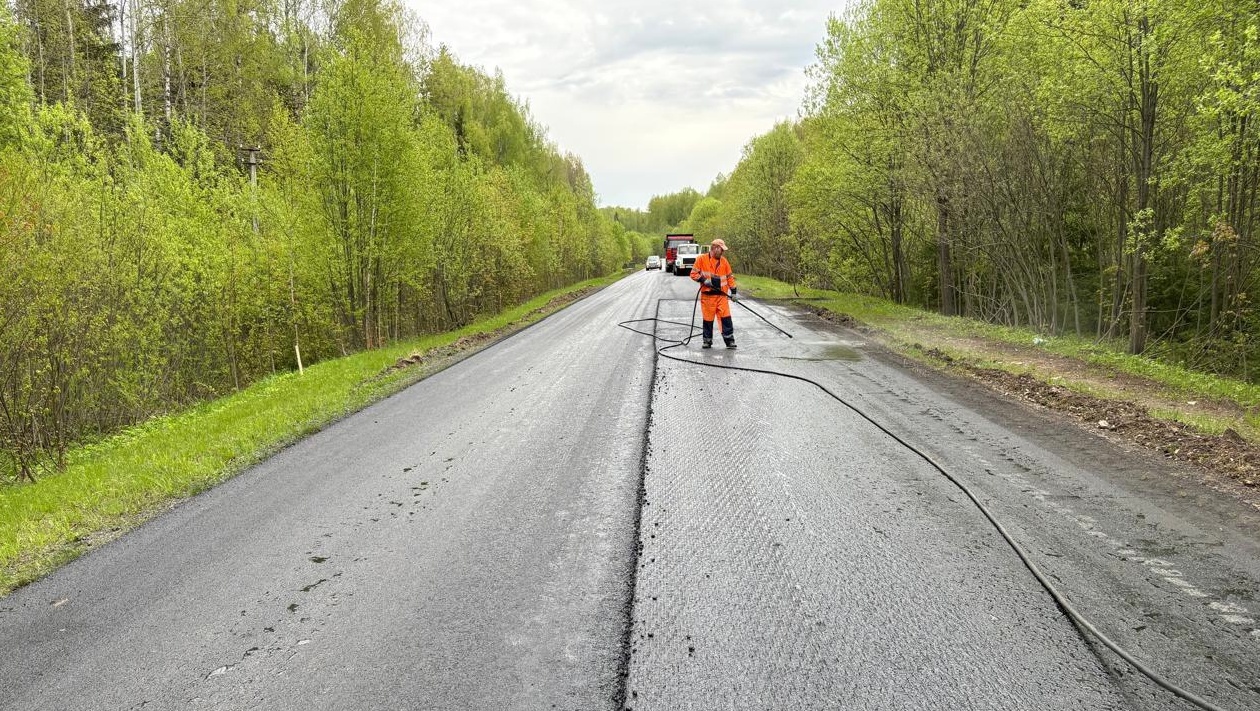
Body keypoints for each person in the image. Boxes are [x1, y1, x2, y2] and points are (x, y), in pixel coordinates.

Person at [690, 238, 738, 349]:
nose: (723, 252)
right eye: (721, 249)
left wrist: (734, 292)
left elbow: (730, 277)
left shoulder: (724, 261)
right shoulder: (701, 259)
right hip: (708, 297)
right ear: (715, 248)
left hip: (722, 296)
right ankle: (707, 341)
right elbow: (693, 274)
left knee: (726, 318)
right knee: (708, 319)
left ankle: (729, 341)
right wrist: (703, 280)